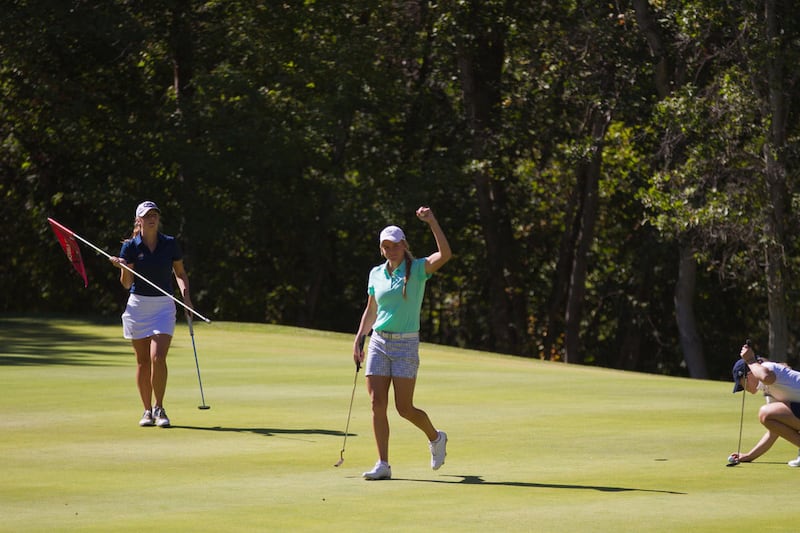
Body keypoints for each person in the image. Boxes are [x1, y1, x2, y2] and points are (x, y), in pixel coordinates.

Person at [353, 206, 452, 480]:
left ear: (404, 245)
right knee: (377, 403)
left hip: (406, 344)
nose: (391, 250)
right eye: (386, 246)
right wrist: (360, 338)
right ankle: (383, 464)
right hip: (379, 342)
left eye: (395, 245)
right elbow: (371, 310)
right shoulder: (376, 273)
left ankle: (436, 438)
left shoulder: (418, 269)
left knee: (404, 408)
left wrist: (432, 221)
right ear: (381, 249)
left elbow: (445, 254)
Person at [109, 201, 192, 428]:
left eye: (154, 214)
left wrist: (186, 298)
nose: (152, 218)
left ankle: (159, 407)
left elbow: (180, 273)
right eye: (147, 216)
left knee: (158, 358)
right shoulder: (130, 247)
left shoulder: (170, 243)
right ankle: (147, 411)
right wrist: (124, 267)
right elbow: (127, 284)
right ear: (139, 220)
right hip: (138, 307)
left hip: (164, 306)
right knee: (143, 361)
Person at [729, 343, 800, 466]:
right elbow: (774, 431)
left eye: (742, 384)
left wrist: (750, 360)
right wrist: (749, 456)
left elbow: (766, 377)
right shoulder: (769, 391)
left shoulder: (767, 367)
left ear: (748, 375)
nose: (744, 389)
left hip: (752, 364)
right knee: (767, 415)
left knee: (765, 413)